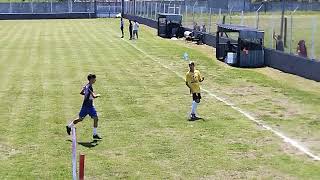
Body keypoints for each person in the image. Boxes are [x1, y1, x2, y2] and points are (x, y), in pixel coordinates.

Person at [66, 74, 102, 139]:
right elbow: (94, 96)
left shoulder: (86, 86)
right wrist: (98, 95)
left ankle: (95, 134)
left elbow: (81, 92)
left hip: (90, 106)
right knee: (80, 119)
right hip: (85, 107)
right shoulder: (90, 87)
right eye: (94, 79)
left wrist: (87, 94)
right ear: (91, 79)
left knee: (96, 118)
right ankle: (69, 126)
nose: (95, 80)